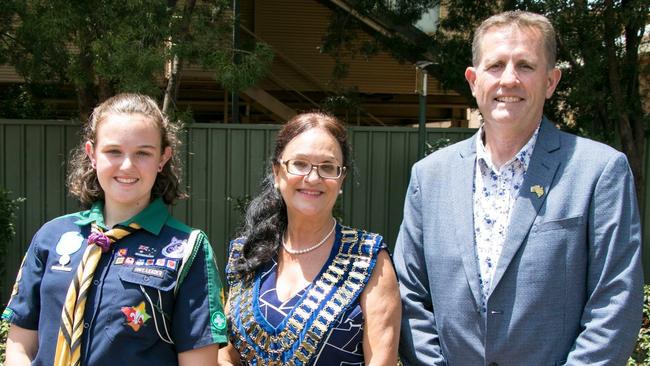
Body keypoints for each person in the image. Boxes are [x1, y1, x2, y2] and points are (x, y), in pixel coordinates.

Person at [394, 10, 643, 366]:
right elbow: (409, 295)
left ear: (551, 81)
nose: (508, 80)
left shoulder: (599, 171)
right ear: (473, 79)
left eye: (525, 66)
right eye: (495, 65)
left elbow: (615, 301)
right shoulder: (429, 176)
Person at [3, 93, 227, 366]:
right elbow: (19, 346)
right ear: (92, 154)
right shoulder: (51, 237)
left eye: (143, 153)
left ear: (163, 158)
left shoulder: (187, 249)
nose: (127, 166)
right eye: (113, 151)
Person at [218, 112, 401, 365]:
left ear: (342, 179)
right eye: (300, 164)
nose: (313, 178)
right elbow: (225, 355)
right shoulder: (248, 252)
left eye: (327, 167)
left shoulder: (368, 259)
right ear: (277, 172)